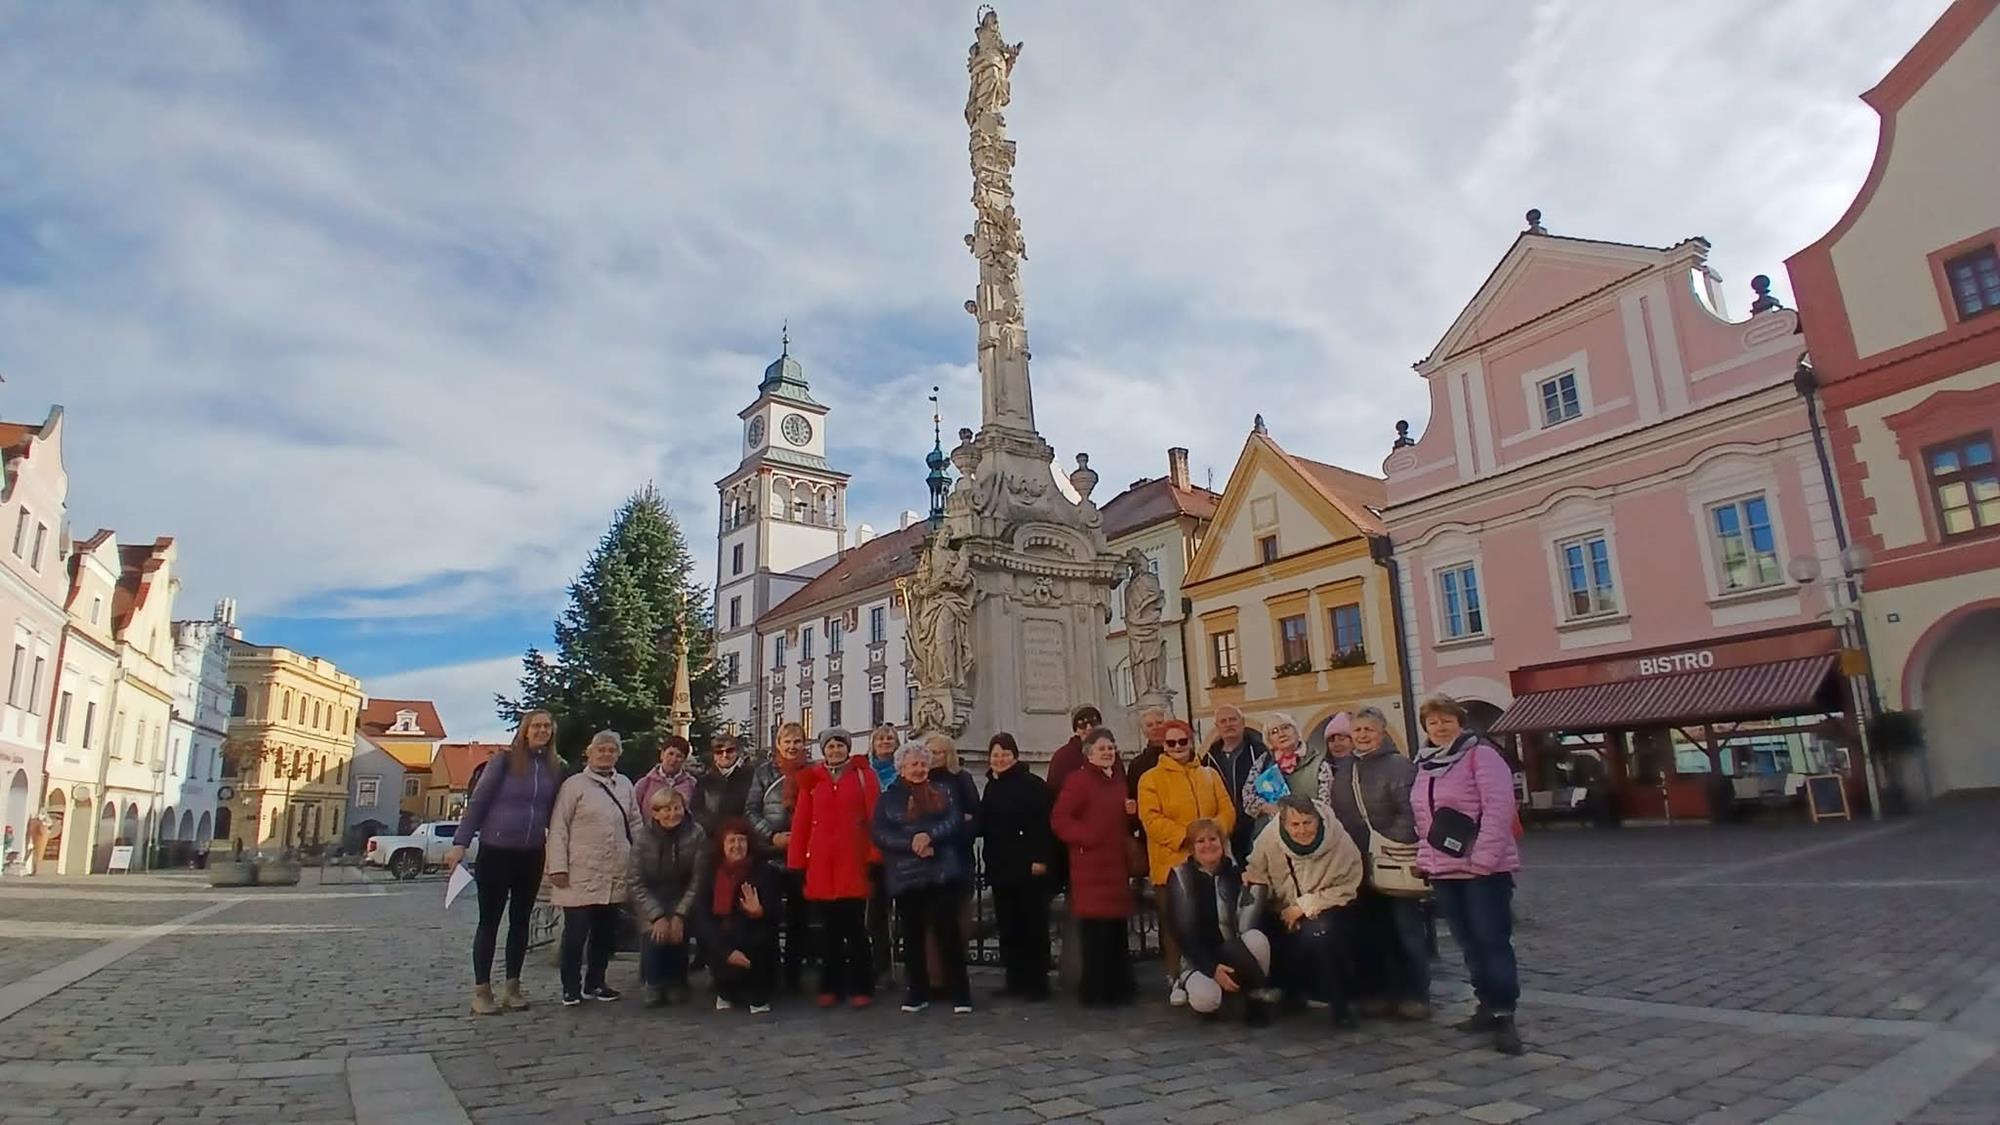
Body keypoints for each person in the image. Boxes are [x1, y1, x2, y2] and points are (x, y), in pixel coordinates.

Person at [1413, 695, 1524, 1055]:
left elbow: (1499, 808)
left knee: (1491, 940)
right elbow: (1424, 821)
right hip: (1445, 870)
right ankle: (1485, 1005)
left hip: (1482, 870)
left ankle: (1504, 1014)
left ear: (1460, 722)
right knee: (1468, 942)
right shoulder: (1426, 764)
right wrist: (1426, 861)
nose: (1440, 727)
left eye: (1446, 720)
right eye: (1433, 722)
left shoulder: (1482, 756)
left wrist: (1484, 859)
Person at [448, 709, 563, 1016]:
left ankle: (513, 986)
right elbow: (479, 801)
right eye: (536, 726)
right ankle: (482, 990)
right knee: (490, 921)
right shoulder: (504, 761)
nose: (542, 731)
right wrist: (460, 842)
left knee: (520, 921)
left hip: (531, 852)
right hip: (496, 850)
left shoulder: (553, 767)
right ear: (525, 730)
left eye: (547, 726)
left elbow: (556, 812)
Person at [1328, 706, 1428, 1020]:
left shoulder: (1399, 766)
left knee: (1406, 931)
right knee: (1372, 932)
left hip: (1393, 860)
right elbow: (1338, 817)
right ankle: (1381, 992)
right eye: (1357, 730)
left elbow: (1410, 812)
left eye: (1368, 729)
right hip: (1359, 863)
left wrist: (1386, 844)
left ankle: (1415, 994)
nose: (1362, 735)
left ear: (1382, 732)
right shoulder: (1345, 770)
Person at [1136, 718, 1235, 1007]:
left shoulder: (1209, 774)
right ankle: (1175, 976)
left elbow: (1227, 810)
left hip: (1211, 862)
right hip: (1172, 862)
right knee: (1174, 924)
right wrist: (1189, 839)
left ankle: (1216, 970)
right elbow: (1151, 819)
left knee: (1215, 918)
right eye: (1171, 742)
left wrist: (1211, 836)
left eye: (1183, 741)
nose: (1178, 746)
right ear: (1163, 746)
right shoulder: (1150, 779)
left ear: (1191, 742)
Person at [1244, 794, 1364, 1029]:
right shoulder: (1269, 838)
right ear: (1284, 823)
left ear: (1317, 819)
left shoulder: (1339, 840)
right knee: (1258, 931)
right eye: (1295, 824)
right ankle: (1278, 994)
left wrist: (1304, 906)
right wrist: (1251, 879)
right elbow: (1257, 870)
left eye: (1308, 822)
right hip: (1281, 907)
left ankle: (1341, 1005)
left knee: (1319, 934)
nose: (1302, 830)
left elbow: (1348, 884)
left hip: (1328, 906)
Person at [872, 742, 972, 1013]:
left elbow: (953, 821)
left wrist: (930, 837)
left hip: (940, 869)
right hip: (907, 873)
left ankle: (960, 991)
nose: (919, 769)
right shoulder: (888, 798)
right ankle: (917, 991)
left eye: (922, 764)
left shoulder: (943, 791)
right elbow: (880, 833)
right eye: (913, 764)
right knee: (912, 935)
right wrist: (911, 843)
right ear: (901, 768)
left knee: (948, 932)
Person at [546, 730, 643, 1006]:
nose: (606, 754)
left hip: (614, 869)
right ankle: (570, 987)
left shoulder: (624, 784)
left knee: (604, 933)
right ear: (590, 753)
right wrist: (557, 866)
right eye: (601, 749)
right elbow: (559, 827)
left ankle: (596, 982)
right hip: (580, 871)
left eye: (612, 750)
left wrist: (640, 857)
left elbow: (635, 823)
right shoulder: (574, 786)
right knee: (576, 934)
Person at [787, 729, 879, 1008]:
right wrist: (796, 863)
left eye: (840, 746)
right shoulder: (812, 779)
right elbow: (801, 823)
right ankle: (831, 985)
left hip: (853, 861)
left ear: (847, 749)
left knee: (855, 929)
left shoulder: (863, 776)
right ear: (823, 750)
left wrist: (875, 857)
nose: (835, 750)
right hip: (822, 863)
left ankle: (862, 985)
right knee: (829, 932)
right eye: (831, 746)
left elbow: (874, 818)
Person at [1053, 727, 1136, 1007]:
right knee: (1096, 930)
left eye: (1110, 748)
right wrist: (1087, 837)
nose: (1107, 752)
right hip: (1091, 864)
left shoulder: (1118, 780)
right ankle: (1096, 990)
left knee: (1115, 928)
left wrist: (1130, 815)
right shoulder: (1078, 781)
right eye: (1101, 749)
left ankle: (1118, 986)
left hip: (1115, 863)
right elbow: (1060, 819)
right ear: (1089, 753)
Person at [1166, 818, 1274, 1026]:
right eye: (1201, 841)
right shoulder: (1181, 876)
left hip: (1233, 950)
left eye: (1213, 839)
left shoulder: (1236, 873)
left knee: (1257, 939)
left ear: (1222, 843)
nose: (1208, 845)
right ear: (1192, 848)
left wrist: (1256, 887)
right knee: (1207, 1001)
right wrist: (1212, 968)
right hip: (1198, 958)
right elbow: (1183, 934)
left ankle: (1255, 995)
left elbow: (1251, 920)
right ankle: (1201, 987)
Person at [980, 732, 1055, 1000]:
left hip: (1028, 866)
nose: (1000, 759)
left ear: (1015, 756)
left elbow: (1044, 825)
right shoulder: (991, 786)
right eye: (995, 755)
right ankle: (1015, 979)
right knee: (1008, 926)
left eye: (1005, 754)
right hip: (1001, 866)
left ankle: (1037, 983)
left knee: (1033, 925)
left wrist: (1041, 858)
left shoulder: (1032, 785)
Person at [748, 722, 811, 992]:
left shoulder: (813, 771)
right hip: (770, 855)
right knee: (769, 916)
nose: (792, 746)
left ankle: (794, 975)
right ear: (778, 744)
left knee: (799, 918)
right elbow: (751, 810)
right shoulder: (764, 772)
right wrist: (771, 835)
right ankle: (770, 972)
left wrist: (803, 837)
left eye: (797, 741)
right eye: (787, 741)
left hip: (803, 855)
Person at [695, 818, 781, 1014]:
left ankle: (757, 992)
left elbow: (775, 913)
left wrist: (760, 911)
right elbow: (702, 916)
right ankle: (725, 988)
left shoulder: (765, 872)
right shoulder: (711, 874)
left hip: (753, 943)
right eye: (731, 841)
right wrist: (727, 952)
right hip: (722, 942)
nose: (737, 845)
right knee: (711, 936)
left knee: (758, 935)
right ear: (722, 845)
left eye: (742, 840)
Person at [631, 787, 707, 1007]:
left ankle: (677, 980)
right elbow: (635, 881)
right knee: (655, 932)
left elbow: (699, 879)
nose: (672, 814)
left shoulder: (696, 833)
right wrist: (656, 916)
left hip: (683, 893)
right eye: (665, 809)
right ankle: (653, 982)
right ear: (655, 813)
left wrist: (680, 915)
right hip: (652, 893)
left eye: (676, 808)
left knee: (677, 931)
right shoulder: (642, 837)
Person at [925, 733, 981, 992]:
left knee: (957, 921)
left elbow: (974, 819)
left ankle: (954, 978)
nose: (934, 757)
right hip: (928, 861)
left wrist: (954, 831)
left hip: (958, 859)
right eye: (930, 752)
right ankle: (934, 978)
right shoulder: (920, 780)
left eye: (939, 752)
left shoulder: (961, 780)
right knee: (930, 923)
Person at [1240, 713, 1332, 838]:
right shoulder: (1263, 762)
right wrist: (1269, 808)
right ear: (1269, 740)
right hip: (1271, 835)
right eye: (1274, 732)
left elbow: (1325, 804)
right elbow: (1248, 798)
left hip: (1308, 834)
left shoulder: (1318, 762)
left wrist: (1298, 816)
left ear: (1296, 731)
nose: (1281, 734)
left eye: (1286, 727)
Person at [863, 723, 902, 982]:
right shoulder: (865, 773)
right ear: (873, 744)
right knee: (876, 912)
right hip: (873, 849)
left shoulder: (903, 771)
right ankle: (881, 964)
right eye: (880, 739)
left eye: (890, 738)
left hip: (899, 849)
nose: (885, 742)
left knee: (905, 910)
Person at [1206, 704, 1268, 860]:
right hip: (1223, 831)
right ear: (1217, 727)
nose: (1228, 724)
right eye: (1223, 721)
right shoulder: (1208, 759)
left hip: (1255, 826)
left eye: (1233, 719)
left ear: (1242, 722)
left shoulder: (1260, 753)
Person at [695, 734, 753, 833]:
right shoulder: (704, 781)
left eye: (729, 751)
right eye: (719, 752)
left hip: (741, 834)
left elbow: (753, 808)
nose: (724, 755)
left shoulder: (750, 776)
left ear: (737, 753)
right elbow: (697, 811)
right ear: (714, 755)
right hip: (712, 835)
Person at [1045, 704, 1105, 799]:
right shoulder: (1063, 757)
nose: (1089, 728)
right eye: (1082, 725)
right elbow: (1053, 793)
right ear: (1076, 729)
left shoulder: (1110, 754)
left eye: (1093, 723)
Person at [634, 735, 698, 821]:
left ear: (684, 759)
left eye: (679, 756)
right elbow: (634, 815)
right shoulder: (644, 784)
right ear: (662, 755)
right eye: (670, 754)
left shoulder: (692, 785)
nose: (673, 759)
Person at [1123, 705, 1173, 797]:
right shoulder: (1137, 765)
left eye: (1159, 723)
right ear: (1143, 731)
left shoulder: (1181, 756)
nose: (1155, 727)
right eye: (1149, 725)